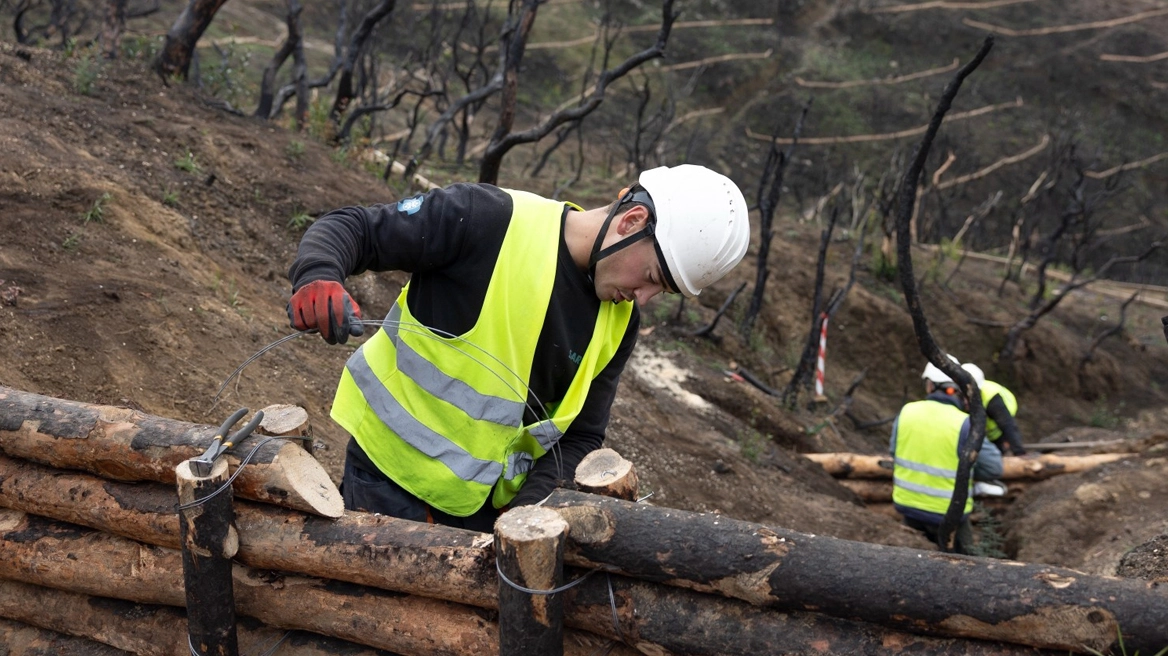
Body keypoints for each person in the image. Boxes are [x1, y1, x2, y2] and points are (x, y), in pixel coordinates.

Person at [285, 165, 750, 531]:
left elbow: (582, 437)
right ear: (631, 221)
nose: (644, 298)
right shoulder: (489, 220)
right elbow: (355, 228)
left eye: (661, 293)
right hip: (389, 477)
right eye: (650, 278)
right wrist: (318, 275)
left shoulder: (620, 324)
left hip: (488, 511)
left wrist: (523, 517)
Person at [891, 357, 1003, 554]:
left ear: (930, 386)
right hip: (950, 516)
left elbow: (894, 451)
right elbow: (994, 466)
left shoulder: (907, 412)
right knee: (969, 566)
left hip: (907, 507)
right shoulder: (966, 424)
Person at [960, 362, 1027, 456]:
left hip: (998, 431)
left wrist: (1019, 452)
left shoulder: (991, 398)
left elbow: (1007, 425)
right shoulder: (956, 394)